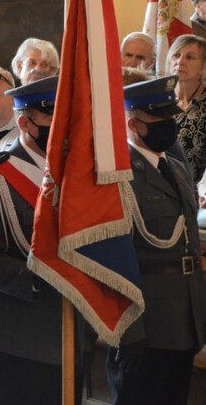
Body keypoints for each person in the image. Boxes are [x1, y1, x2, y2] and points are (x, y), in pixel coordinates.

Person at [0, 76, 83, 405]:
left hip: (68, 331)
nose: (62, 126)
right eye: (52, 117)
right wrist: (40, 279)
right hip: (14, 334)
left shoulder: (75, 175)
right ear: (25, 122)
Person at [109, 76, 206, 405]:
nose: (170, 124)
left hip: (184, 322)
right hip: (146, 327)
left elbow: (188, 248)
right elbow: (116, 261)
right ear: (133, 123)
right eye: (160, 118)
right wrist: (129, 331)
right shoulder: (116, 177)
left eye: (170, 116)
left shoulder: (176, 168)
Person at [167, 34, 206, 181]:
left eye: (190, 57)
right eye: (176, 55)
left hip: (194, 189)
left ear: (203, 67)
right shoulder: (157, 95)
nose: (180, 61)